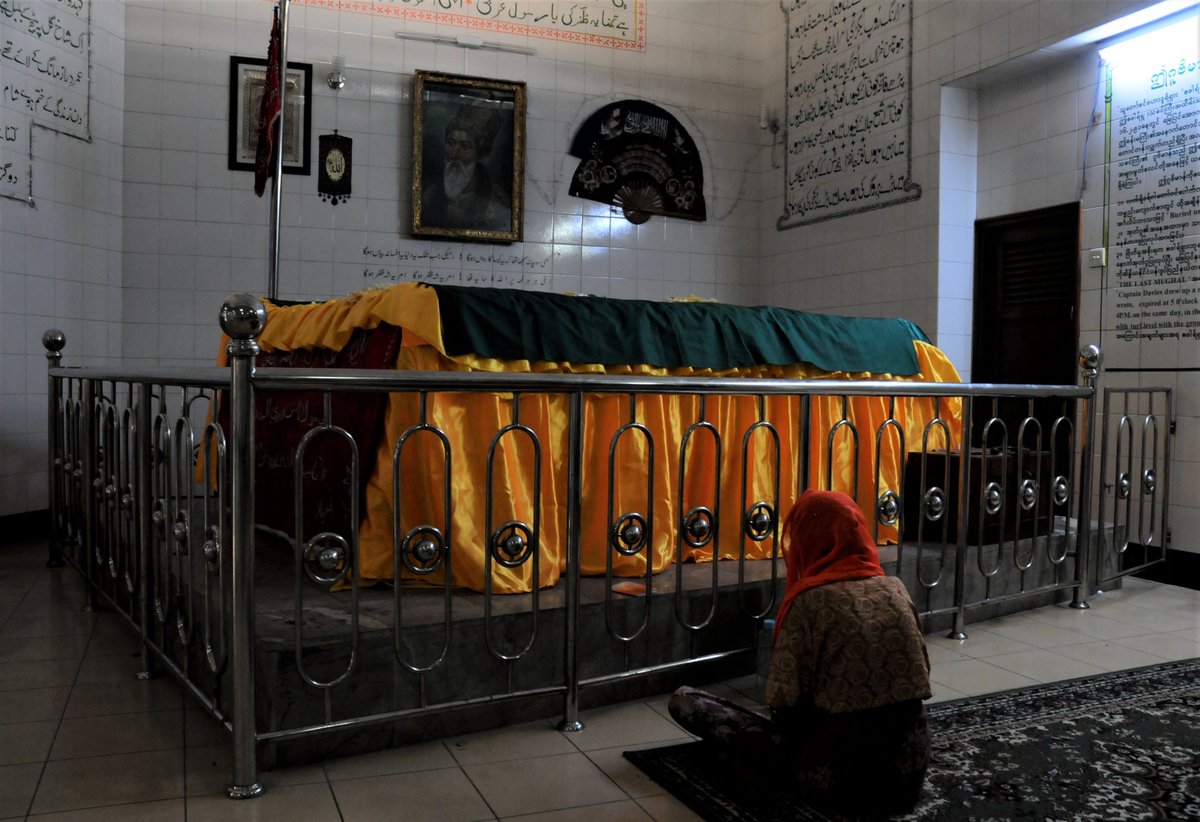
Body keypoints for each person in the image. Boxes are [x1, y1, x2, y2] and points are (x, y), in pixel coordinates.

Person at [669, 488, 932, 817]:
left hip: (836, 776)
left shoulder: (810, 602)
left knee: (687, 702)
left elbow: (785, 705)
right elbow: (922, 672)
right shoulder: (896, 588)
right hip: (908, 771)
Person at [420, 99, 512, 232]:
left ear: (478, 154)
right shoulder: (429, 195)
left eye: (465, 146)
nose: (455, 154)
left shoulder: (497, 203)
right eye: (451, 143)